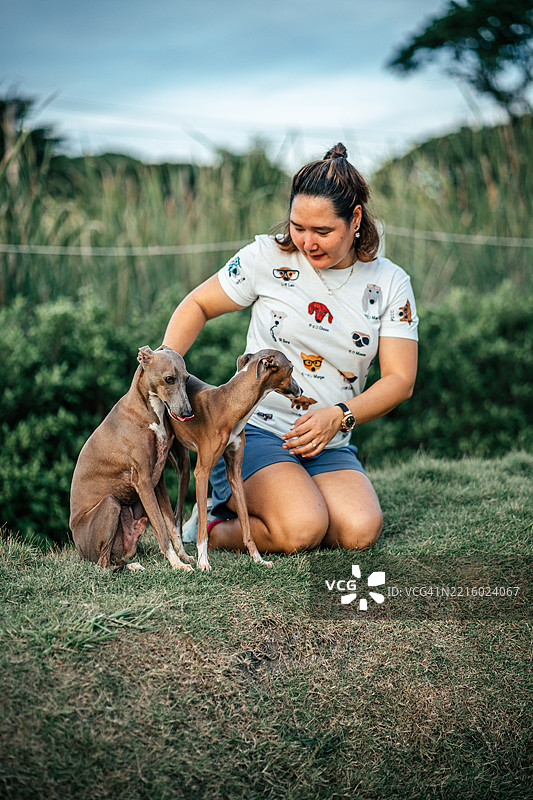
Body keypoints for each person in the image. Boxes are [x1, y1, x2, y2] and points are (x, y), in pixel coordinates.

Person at [163, 143, 418, 554]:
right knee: (302, 529)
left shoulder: (389, 283)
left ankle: (286, 501)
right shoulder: (265, 257)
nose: (307, 242)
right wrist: (164, 368)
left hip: (329, 438)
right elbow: (197, 304)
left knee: (359, 531)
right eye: (298, 227)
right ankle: (210, 522)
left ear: (355, 220)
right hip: (252, 430)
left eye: (322, 232)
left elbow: (401, 379)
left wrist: (339, 417)